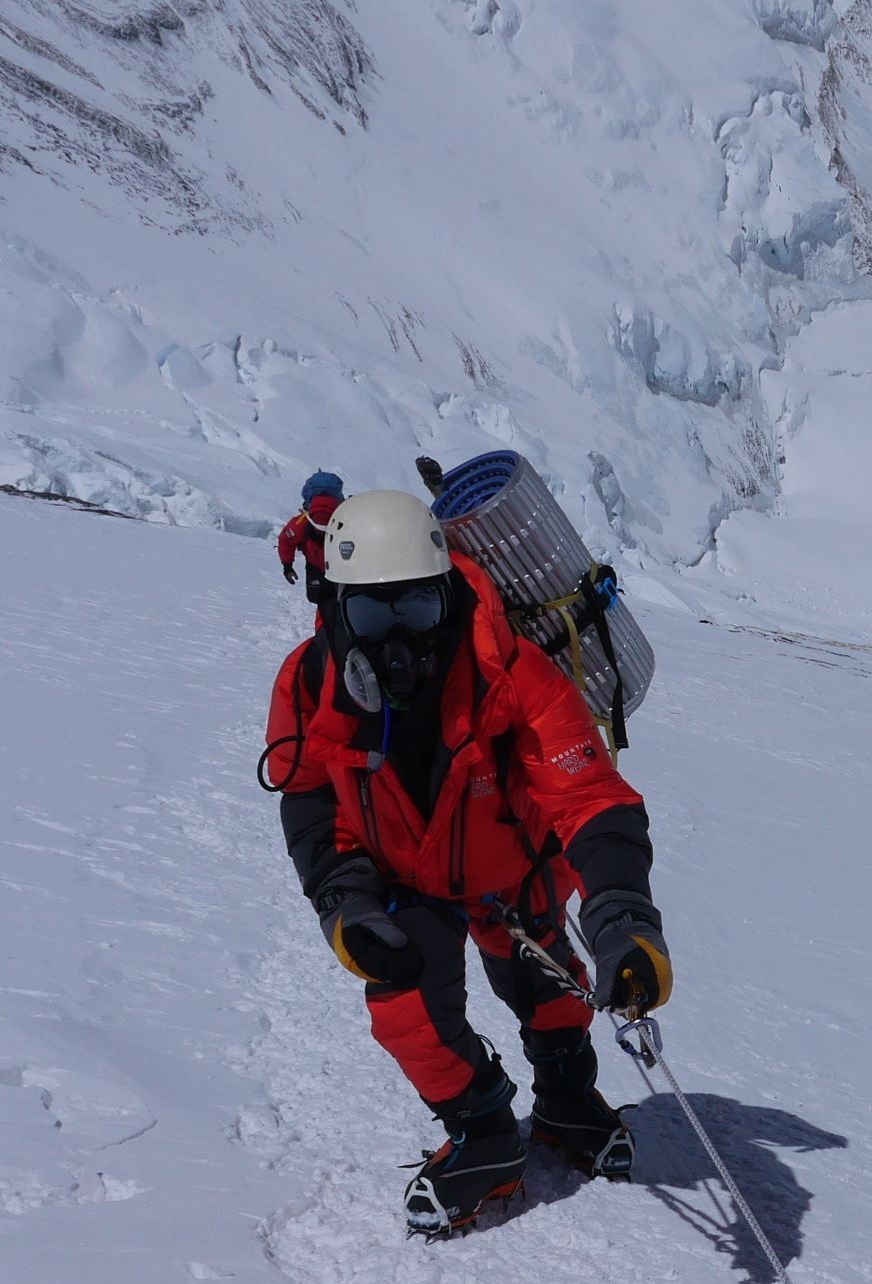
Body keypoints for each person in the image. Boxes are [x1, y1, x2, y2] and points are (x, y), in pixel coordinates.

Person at [260, 489, 673, 1236]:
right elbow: (310, 800)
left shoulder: (509, 675)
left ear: (446, 594)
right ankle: (483, 1133)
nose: (397, 641)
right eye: (372, 616)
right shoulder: (308, 685)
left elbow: (589, 797)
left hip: (513, 871)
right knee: (407, 1013)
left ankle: (567, 1099)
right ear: (335, 608)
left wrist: (620, 913)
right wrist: (341, 898)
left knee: (547, 989)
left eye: (415, 611)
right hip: (399, 881)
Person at [276, 471, 345, 606]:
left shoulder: (299, 524)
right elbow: (286, 542)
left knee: (331, 599)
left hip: (330, 566)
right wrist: (287, 566)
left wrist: (287, 566)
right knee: (321, 598)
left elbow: (286, 540)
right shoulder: (345, 521)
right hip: (331, 566)